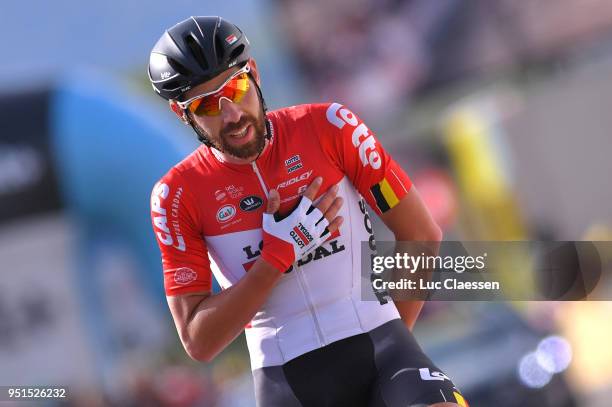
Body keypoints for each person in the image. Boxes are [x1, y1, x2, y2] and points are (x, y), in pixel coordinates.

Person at [148, 16, 468, 407]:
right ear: (182, 114)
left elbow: (420, 234)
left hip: (382, 349)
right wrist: (275, 259)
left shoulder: (330, 126)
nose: (231, 114)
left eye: (236, 86)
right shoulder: (176, 195)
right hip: (288, 380)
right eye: (207, 104)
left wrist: (393, 335)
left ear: (255, 74)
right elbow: (198, 340)